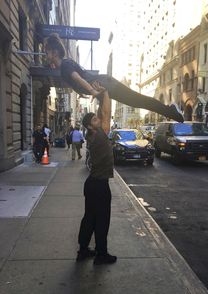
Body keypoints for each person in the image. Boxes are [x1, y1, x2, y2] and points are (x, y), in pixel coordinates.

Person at [44, 33, 184, 123]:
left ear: (55, 52)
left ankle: (171, 110)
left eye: (47, 52)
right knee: (136, 102)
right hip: (102, 86)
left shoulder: (65, 65)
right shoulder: (65, 65)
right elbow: (78, 79)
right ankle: (171, 112)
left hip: (105, 85)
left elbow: (78, 78)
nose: (45, 54)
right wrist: (84, 93)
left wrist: (92, 91)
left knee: (138, 100)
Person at [76, 83, 117, 265]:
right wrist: (105, 92)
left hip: (93, 184)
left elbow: (102, 114)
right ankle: (101, 254)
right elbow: (106, 114)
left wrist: (100, 96)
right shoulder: (99, 136)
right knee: (102, 220)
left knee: (89, 218)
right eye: (94, 120)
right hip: (99, 186)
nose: (98, 120)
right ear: (90, 126)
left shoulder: (92, 135)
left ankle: (83, 250)